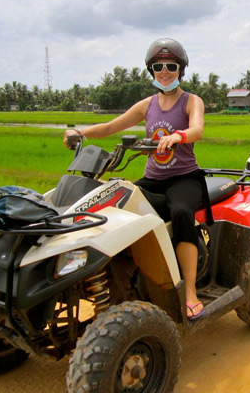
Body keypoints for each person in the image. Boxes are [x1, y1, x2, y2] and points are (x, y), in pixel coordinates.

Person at [63, 38, 207, 320]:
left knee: (180, 213)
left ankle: (189, 292)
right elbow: (110, 126)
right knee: (115, 203)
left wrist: (178, 136)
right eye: (158, 66)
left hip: (184, 180)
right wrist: (81, 133)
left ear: (180, 69)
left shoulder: (191, 101)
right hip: (152, 180)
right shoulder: (147, 105)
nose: (164, 71)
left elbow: (197, 129)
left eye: (171, 66)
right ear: (151, 70)